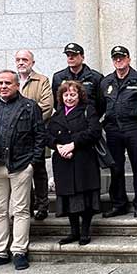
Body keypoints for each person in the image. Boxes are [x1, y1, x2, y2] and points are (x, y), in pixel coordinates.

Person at [0, 70, 46, 271]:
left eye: (8, 83)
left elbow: (39, 136)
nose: (3, 86)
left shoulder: (29, 106)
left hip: (21, 165)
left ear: (17, 85)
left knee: (20, 210)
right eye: (0, 83)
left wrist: (33, 162)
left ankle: (19, 251)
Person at [48, 81, 103, 245]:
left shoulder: (88, 110)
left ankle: (85, 231)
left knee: (84, 197)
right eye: (66, 95)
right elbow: (46, 136)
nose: (69, 98)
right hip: (63, 161)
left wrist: (73, 144)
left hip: (83, 160)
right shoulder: (56, 115)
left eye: (73, 94)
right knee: (69, 197)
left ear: (79, 96)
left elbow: (94, 131)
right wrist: (58, 147)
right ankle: (74, 232)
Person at [100, 45, 137, 219]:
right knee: (116, 167)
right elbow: (101, 106)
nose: (119, 61)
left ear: (128, 59)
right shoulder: (106, 82)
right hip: (113, 129)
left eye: (122, 57)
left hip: (134, 128)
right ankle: (119, 203)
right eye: (115, 58)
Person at [15, 50, 54, 221]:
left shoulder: (42, 80)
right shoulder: (12, 81)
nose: (21, 62)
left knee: (39, 171)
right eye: (18, 60)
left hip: (36, 133)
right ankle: (28, 207)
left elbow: (46, 106)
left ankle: (42, 205)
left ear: (32, 62)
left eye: (25, 59)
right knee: (22, 173)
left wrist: (25, 122)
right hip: (17, 137)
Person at [51, 43, 104, 116]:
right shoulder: (58, 77)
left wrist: (92, 117)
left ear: (82, 57)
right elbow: (56, 101)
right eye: (68, 55)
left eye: (74, 55)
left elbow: (101, 103)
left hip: (88, 119)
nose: (70, 58)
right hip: (66, 120)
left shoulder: (95, 77)